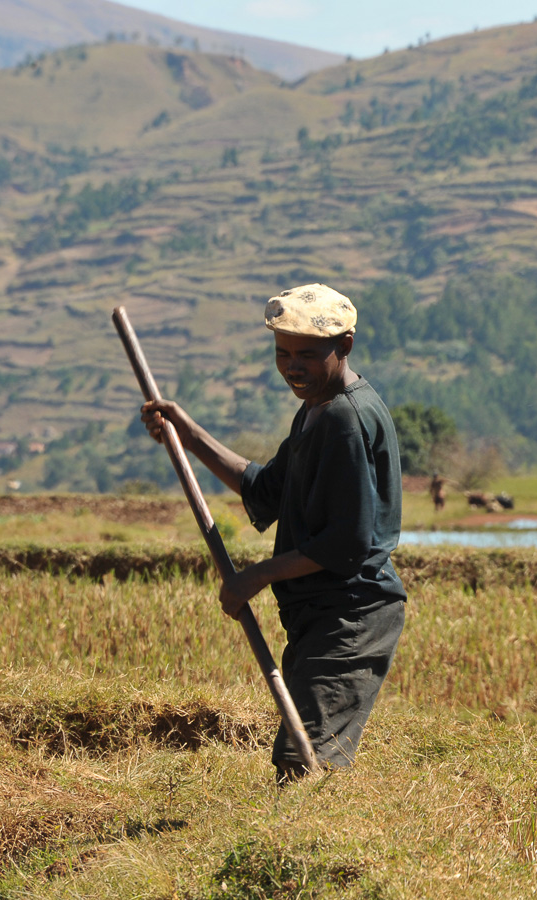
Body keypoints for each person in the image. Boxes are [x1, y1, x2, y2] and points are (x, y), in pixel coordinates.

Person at [141, 283, 405, 783]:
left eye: (306, 354)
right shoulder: (315, 411)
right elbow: (266, 490)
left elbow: (347, 544)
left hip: (351, 613)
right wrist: (188, 434)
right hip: (319, 612)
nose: (292, 367)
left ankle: (306, 853)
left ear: (344, 346)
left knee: (304, 759)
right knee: (305, 754)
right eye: (283, 354)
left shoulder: (345, 419)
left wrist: (255, 576)